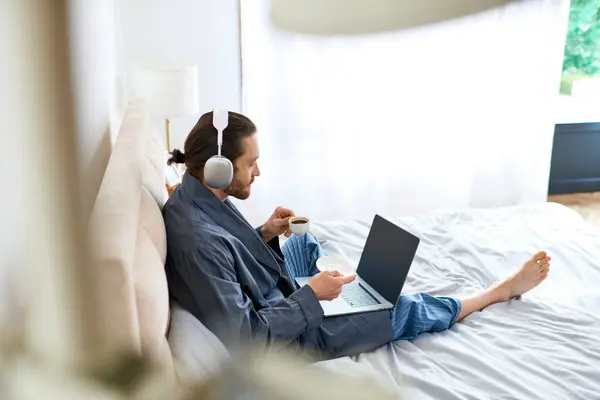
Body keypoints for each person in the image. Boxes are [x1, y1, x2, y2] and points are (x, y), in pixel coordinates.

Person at [163, 111, 551, 360]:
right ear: (220, 169)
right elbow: (247, 336)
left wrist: (264, 232)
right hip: (291, 336)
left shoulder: (192, 196)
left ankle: (352, 291)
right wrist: (311, 296)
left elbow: (230, 259)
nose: (258, 173)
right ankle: (496, 292)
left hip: (277, 293)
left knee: (301, 237)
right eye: (252, 163)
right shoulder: (199, 243)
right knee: (400, 309)